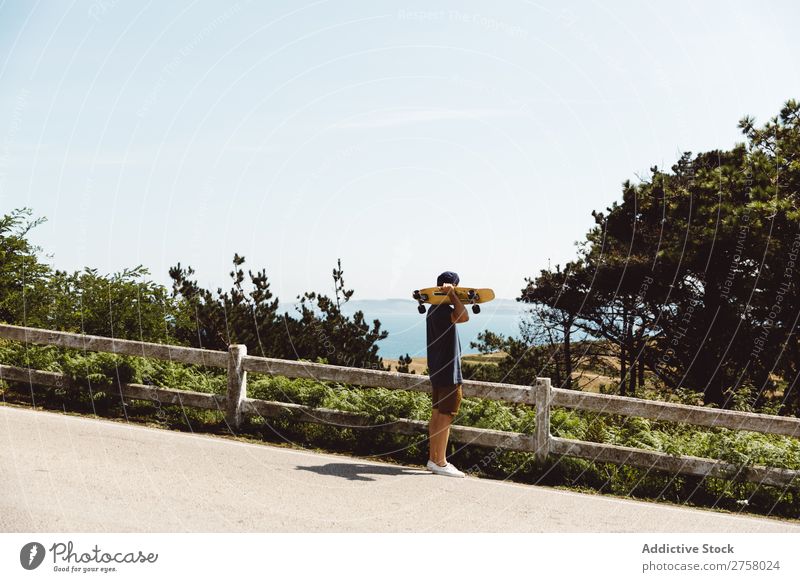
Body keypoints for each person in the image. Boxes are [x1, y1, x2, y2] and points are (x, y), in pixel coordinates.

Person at [425, 271, 469, 477]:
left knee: (436, 416)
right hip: (449, 371)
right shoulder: (443, 310)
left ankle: (434, 459)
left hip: (438, 370)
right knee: (445, 417)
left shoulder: (433, 309)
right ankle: (441, 462)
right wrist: (453, 296)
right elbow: (464, 316)